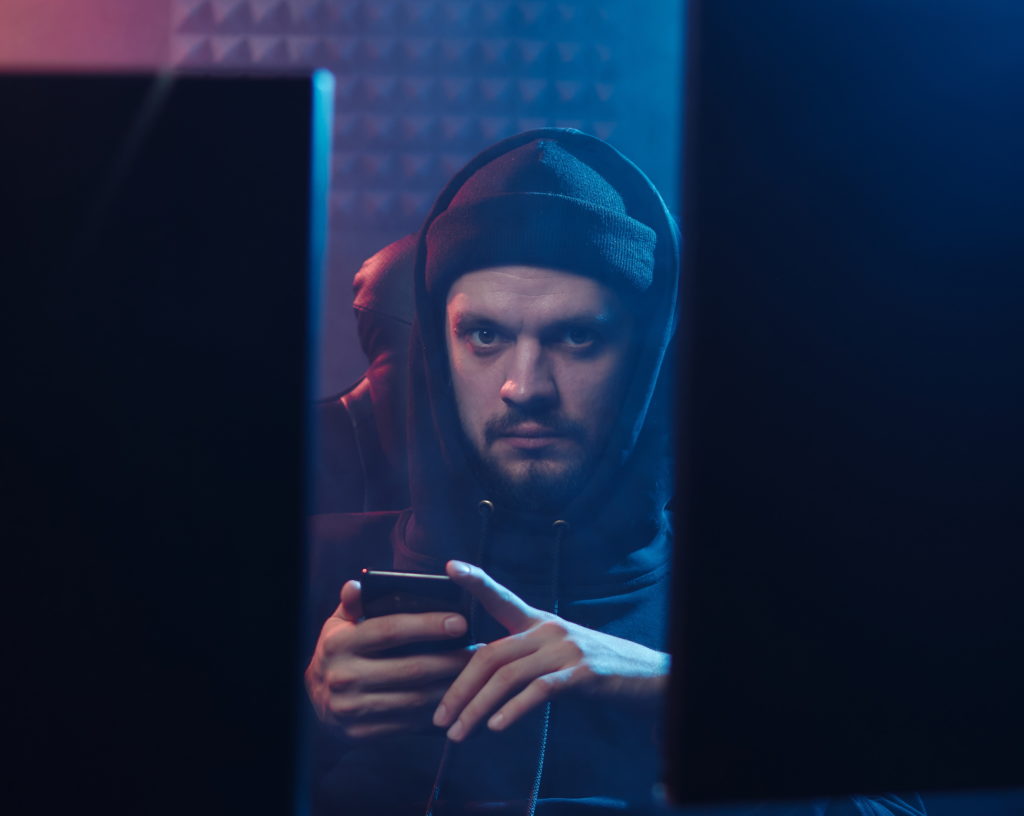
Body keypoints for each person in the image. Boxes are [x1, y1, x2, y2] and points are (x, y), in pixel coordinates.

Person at [304, 128, 678, 815]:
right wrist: (308, 720)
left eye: (577, 336)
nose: (524, 387)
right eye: (485, 335)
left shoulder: (751, 593)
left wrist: (673, 691)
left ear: (643, 360)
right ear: (437, 350)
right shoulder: (304, 568)